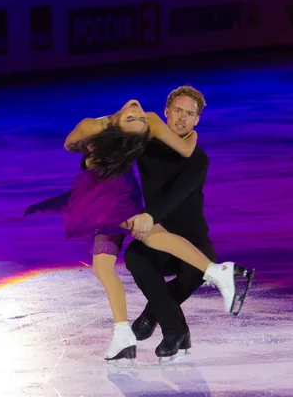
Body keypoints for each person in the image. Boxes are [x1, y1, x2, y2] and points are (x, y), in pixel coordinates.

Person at [23, 99, 240, 362]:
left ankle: (216, 272)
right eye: (133, 117)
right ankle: (123, 333)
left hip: (118, 198)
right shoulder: (93, 126)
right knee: (103, 268)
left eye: (139, 119)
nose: (138, 113)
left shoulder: (143, 124)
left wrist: (192, 134)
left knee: (148, 234)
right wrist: (91, 154)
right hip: (97, 200)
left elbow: (184, 150)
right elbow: (70, 145)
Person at [124, 86, 253, 360]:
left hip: (193, 241)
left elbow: (175, 196)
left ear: (197, 121)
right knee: (135, 256)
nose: (182, 118)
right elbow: (113, 156)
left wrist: (149, 215)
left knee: (197, 270)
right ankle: (176, 330)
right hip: (158, 237)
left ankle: (158, 319)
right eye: (178, 111)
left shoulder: (199, 159)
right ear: (166, 113)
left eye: (189, 114)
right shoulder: (144, 146)